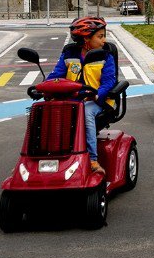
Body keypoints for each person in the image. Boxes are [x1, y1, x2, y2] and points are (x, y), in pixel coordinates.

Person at [47, 17, 116, 174]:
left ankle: (92, 160)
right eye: (100, 36)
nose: (104, 41)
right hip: (72, 100)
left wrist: (97, 95)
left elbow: (109, 82)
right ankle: (43, 156)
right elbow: (56, 75)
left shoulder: (106, 56)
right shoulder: (69, 54)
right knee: (45, 110)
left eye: (103, 36)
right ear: (86, 38)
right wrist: (43, 88)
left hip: (99, 102)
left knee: (85, 112)